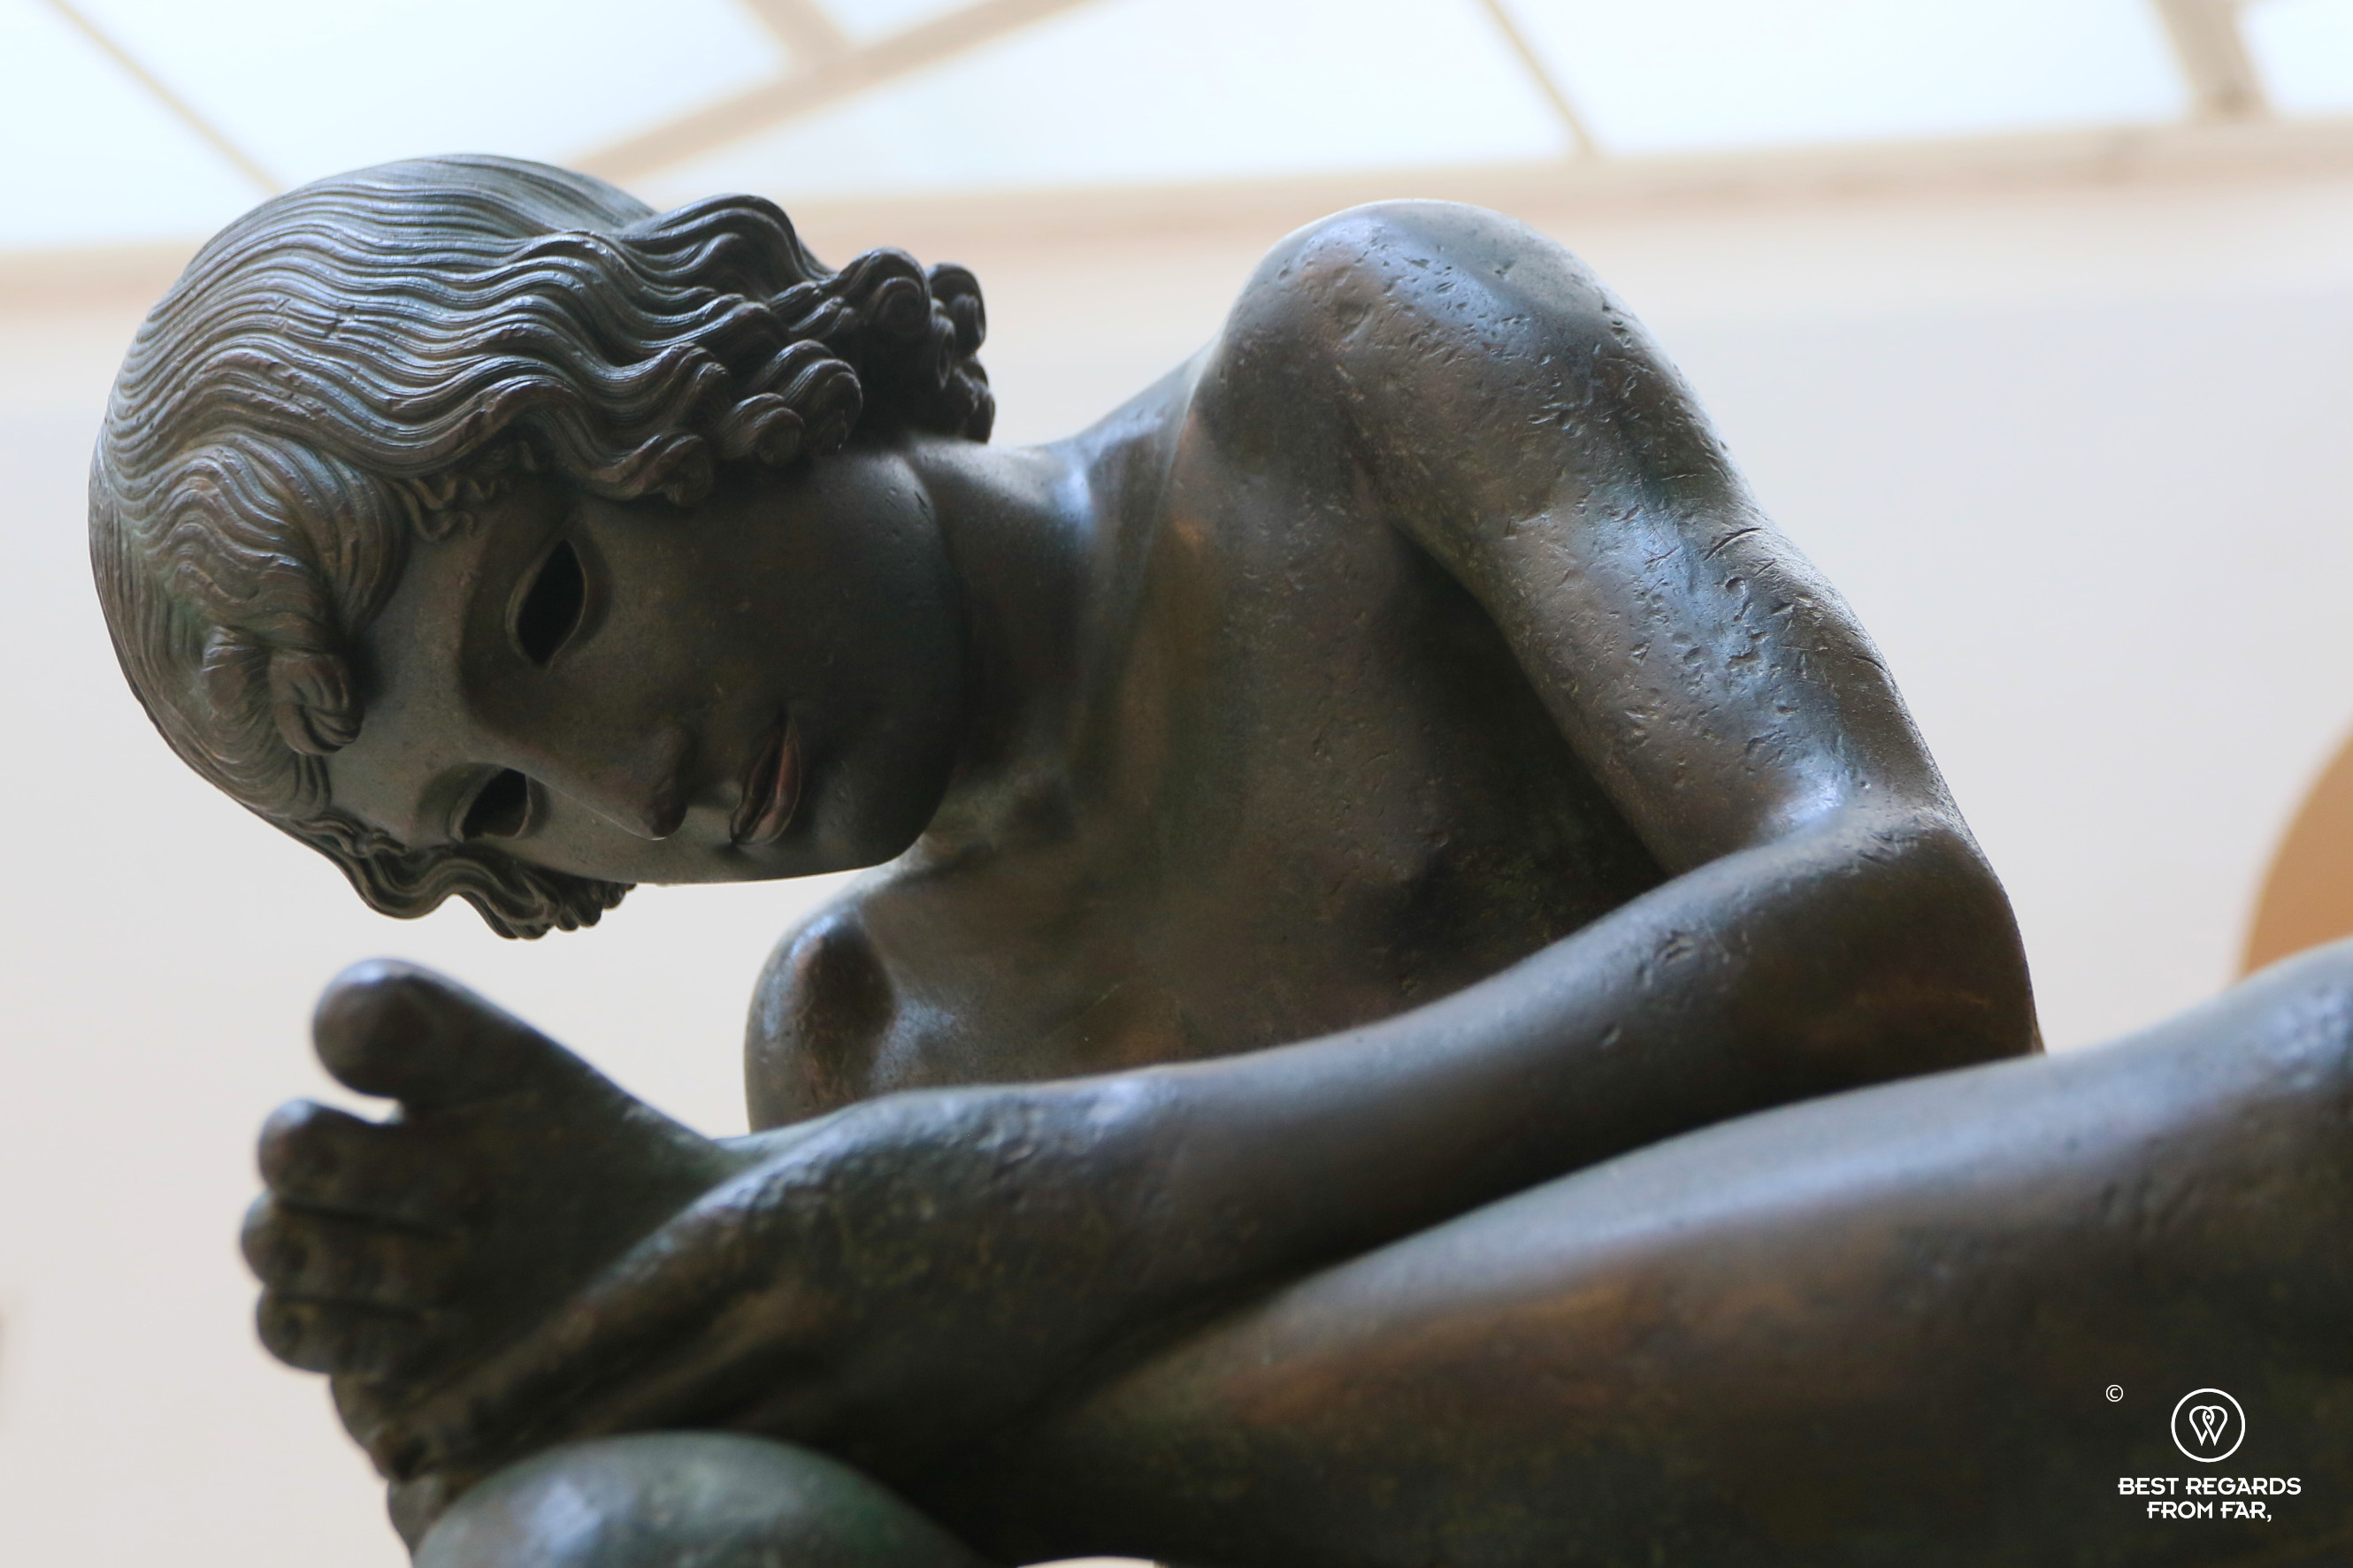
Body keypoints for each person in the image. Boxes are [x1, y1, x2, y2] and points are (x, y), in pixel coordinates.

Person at [90, 156, 2349, 1566]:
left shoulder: (1349, 369)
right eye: (495, 813)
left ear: (690, 363)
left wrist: (1026, 1223)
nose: (625, 791)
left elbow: (1895, 934)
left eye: (551, 613)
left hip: (2089, 1441)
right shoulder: (859, 1034)